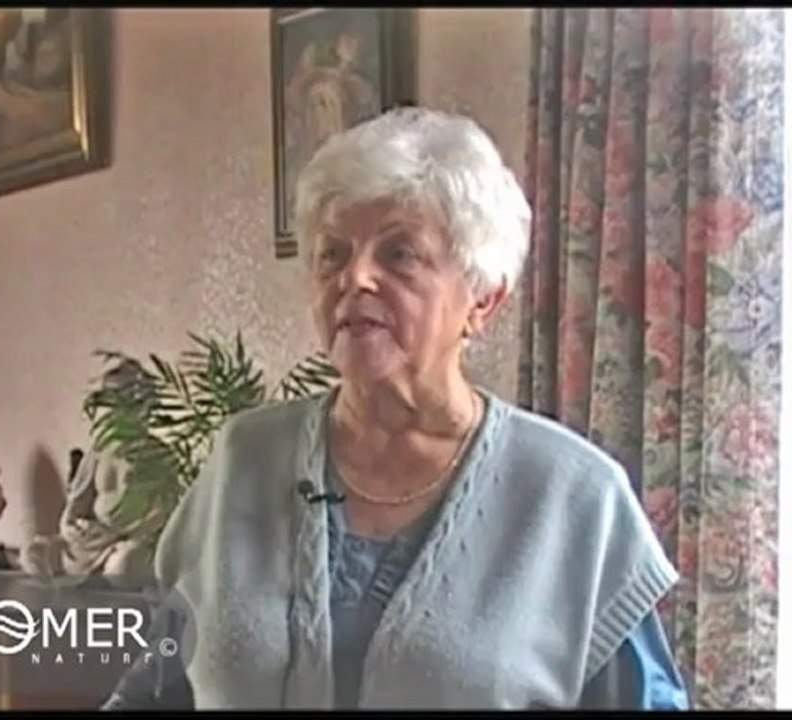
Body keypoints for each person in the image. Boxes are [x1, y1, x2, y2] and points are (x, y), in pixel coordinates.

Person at [102, 106, 689, 710]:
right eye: (333, 254)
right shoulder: (243, 460)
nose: (355, 278)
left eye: (400, 254)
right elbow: (156, 688)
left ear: (483, 299)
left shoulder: (576, 499)